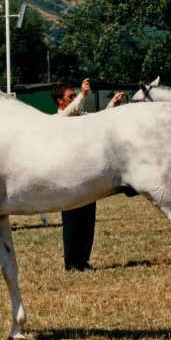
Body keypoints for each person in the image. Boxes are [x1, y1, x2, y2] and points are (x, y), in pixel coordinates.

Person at [52, 78, 126, 271]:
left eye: (75, 95)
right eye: (71, 96)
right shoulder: (58, 119)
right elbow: (68, 114)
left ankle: (83, 261)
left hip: (86, 176)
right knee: (71, 222)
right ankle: (71, 263)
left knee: (86, 222)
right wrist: (84, 95)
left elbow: (100, 119)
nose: (75, 98)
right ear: (60, 100)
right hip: (68, 179)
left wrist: (113, 103)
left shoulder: (81, 115)